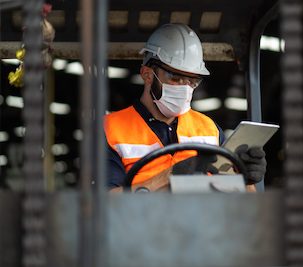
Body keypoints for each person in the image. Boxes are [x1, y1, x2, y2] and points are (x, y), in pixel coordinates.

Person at [104, 23, 266, 192]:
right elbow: (105, 203)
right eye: (175, 77)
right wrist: (171, 176)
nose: (185, 87)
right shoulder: (112, 129)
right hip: (140, 218)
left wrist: (245, 178)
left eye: (192, 80)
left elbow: (244, 202)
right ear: (147, 74)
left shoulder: (209, 130)